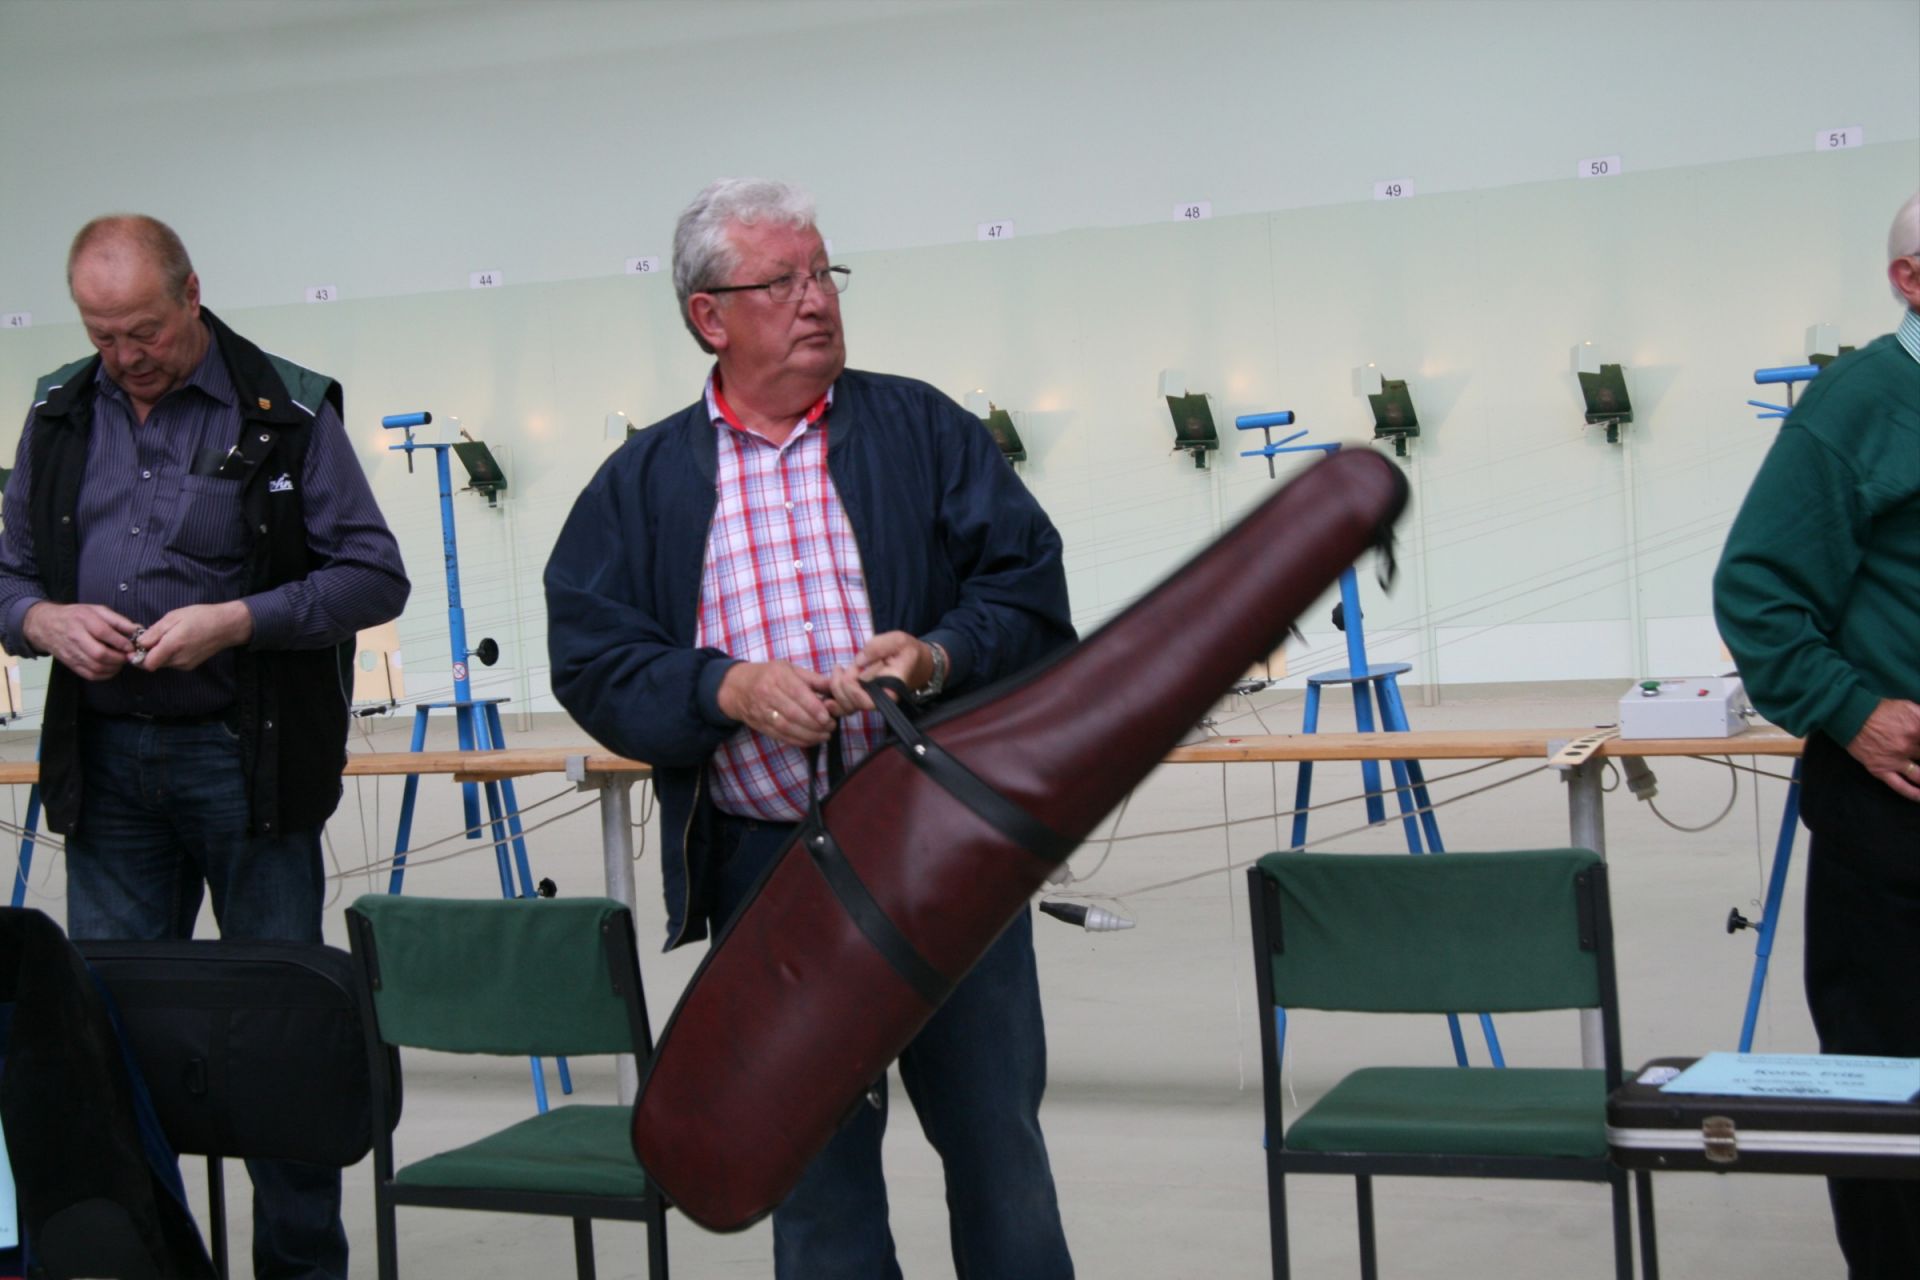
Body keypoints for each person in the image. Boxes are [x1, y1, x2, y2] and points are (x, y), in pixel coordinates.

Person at [545, 178, 1077, 1278]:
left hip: (944, 856)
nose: (816, 299)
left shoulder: (924, 429)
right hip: (770, 874)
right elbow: (592, 657)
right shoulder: (640, 484)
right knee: (818, 1181)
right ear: (708, 315)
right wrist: (724, 689)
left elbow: (1029, 592)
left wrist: (937, 655)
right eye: (780, 281)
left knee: (998, 1151)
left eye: (824, 272)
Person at [0, 214, 411, 1280]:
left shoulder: (287, 409)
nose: (125, 356)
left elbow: (373, 576)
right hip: (106, 772)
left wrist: (238, 621)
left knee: (280, 1037)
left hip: (247, 766)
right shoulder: (58, 412)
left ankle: (300, 1265)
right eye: (102, 335)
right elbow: (8, 578)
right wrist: (43, 621)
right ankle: (149, 1261)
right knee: (107, 1042)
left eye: (143, 330)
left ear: (192, 294)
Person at [1713, 190, 1920, 1279]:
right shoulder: (1859, 406)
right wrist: (1852, 710)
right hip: (1896, 815)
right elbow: (1756, 589)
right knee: (1891, 1092)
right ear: (1910, 280)